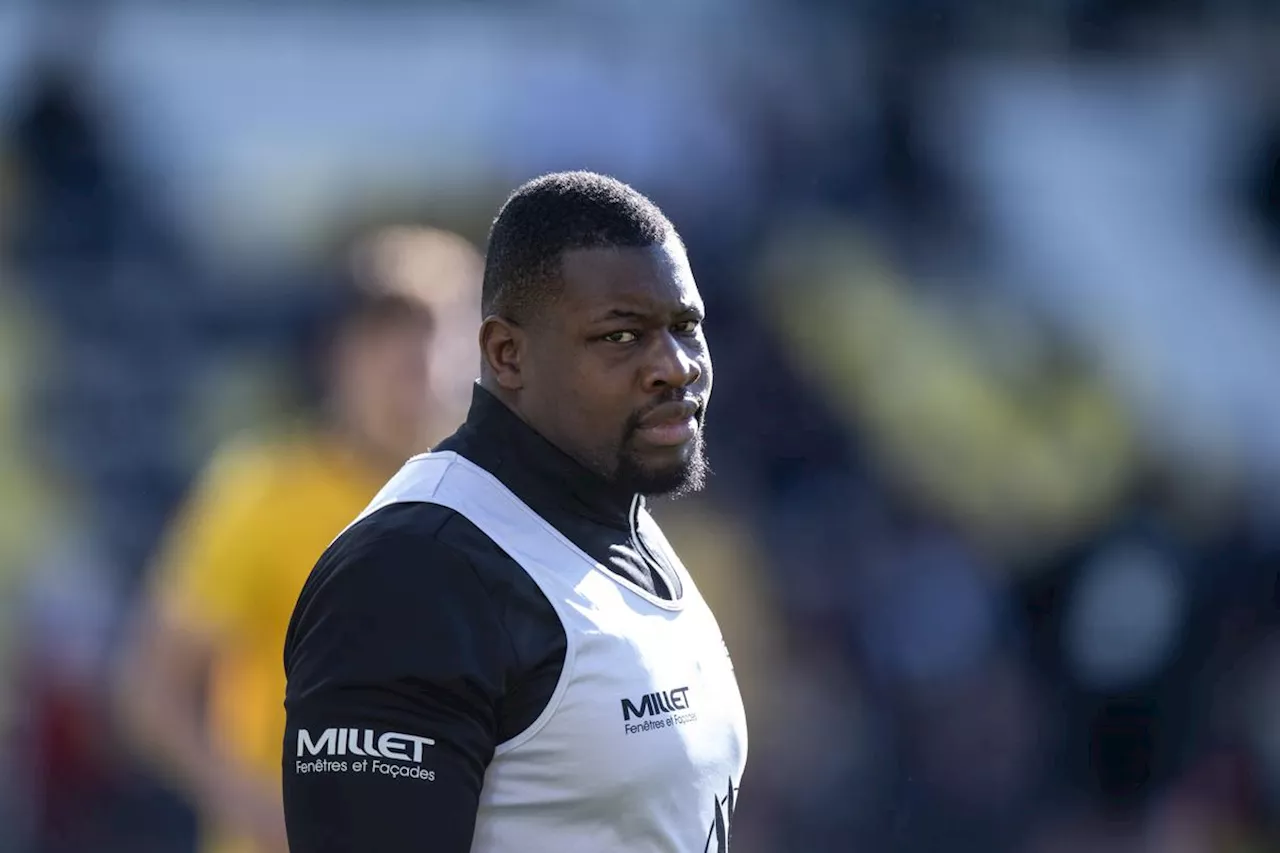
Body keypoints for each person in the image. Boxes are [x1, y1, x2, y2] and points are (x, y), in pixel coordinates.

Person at [282, 171, 749, 852]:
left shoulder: (620, 520)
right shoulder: (415, 571)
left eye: (685, 326)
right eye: (621, 336)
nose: (674, 366)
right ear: (507, 354)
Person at [114, 226, 481, 853]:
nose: (418, 361)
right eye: (388, 333)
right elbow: (150, 694)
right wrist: (255, 804)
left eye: (441, 329)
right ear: (338, 354)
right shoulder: (262, 494)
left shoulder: (507, 501)